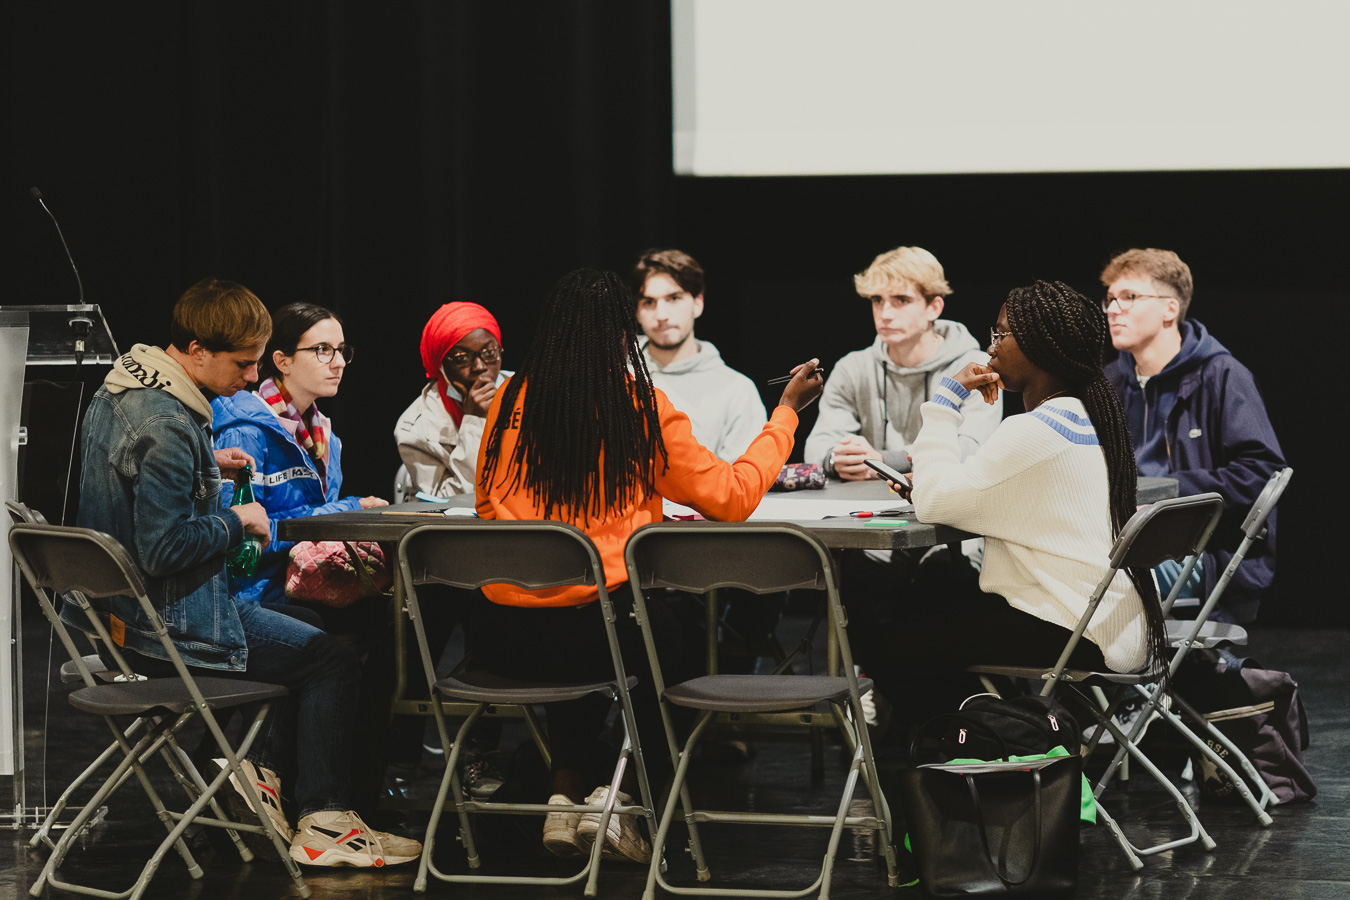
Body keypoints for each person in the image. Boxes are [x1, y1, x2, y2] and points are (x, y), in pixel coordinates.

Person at [69, 277, 419, 868]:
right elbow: (164, 548)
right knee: (332, 655)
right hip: (170, 625)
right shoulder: (170, 424)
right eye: (243, 363)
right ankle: (325, 818)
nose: (254, 379)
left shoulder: (120, 391)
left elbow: (142, 501)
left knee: (321, 634)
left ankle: (262, 782)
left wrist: (210, 467)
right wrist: (238, 519)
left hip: (119, 622)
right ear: (197, 348)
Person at [474, 268, 822, 862]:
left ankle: (563, 802)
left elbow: (486, 502)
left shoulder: (508, 402)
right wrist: (786, 412)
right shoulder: (636, 405)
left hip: (500, 641)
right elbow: (732, 498)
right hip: (599, 633)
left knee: (584, 618)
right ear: (620, 333)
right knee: (675, 642)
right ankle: (623, 804)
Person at [863, 280, 1167, 728]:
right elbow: (988, 492)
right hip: (1114, 621)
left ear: (1041, 348)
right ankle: (997, 723)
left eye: (1001, 336)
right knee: (936, 587)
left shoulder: (1032, 432)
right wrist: (937, 485)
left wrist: (948, 400)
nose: (990, 348)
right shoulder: (1084, 415)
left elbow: (931, 502)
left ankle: (1005, 732)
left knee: (891, 641)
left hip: (1075, 628)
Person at [1101, 249, 1284, 623]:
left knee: (1089, 584)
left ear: (1170, 309)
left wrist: (1163, 492)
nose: (1113, 309)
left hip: (1198, 555)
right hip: (1115, 541)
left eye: (1129, 297)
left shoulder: (1221, 376)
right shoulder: (1109, 383)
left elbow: (1260, 472)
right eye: (1110, 298)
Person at [212, 302, 387, 609]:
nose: (338, 363)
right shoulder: (246, 432)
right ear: (282, 360)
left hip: (302, 583)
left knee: (409, 600)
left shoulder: (327, 437)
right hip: (251, 596)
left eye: (342, 350)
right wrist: (345, 510)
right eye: (323, 350)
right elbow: (239, 546)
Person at [804, 245, 1000, 481]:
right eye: (877, 300)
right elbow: (817, 444)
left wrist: (884, 461)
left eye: (901, 300)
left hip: (944, 502)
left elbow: (971, 449)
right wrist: (837, 459)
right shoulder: (853, 367)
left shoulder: (974, 367)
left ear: (934, 308)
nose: (885, 313)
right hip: (862, 504)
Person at [630, 248, 768, 461]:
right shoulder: (615, 373)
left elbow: (742, 485)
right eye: (649, 302)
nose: (661, 315)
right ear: (637, 311)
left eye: (674, 298)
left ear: (697, 303)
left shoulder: (737, 391)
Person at [395, 301, 509, 499]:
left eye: (489, 353)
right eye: (462, 358)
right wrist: (475, 422)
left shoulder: (530, 395)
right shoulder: (414, 427)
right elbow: (442, 503)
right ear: (440, 365)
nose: (480, 366)